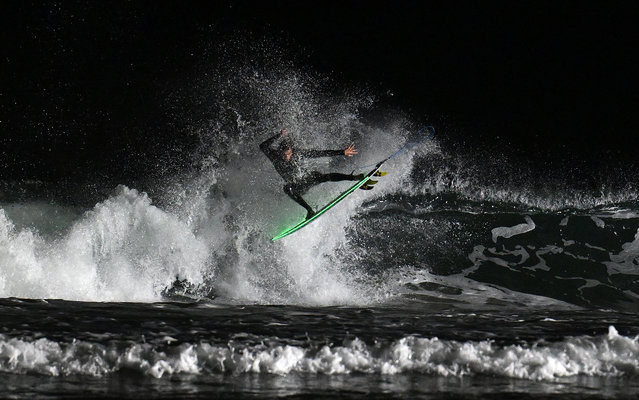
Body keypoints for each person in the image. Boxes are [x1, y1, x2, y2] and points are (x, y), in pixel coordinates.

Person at [260, 129, 369, 220]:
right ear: (279, 152)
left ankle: (354, 177)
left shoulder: (297, 153)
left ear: (292, 151)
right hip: (297, 187)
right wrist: (279, 135)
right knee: (287, 188)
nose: (286, 158)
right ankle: (309, 211)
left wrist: (342, 152)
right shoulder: (274, 156)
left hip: (306, 181)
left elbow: (320, 153)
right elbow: (262, 146)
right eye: (284, 155)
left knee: (319, 176)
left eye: (288, 154)